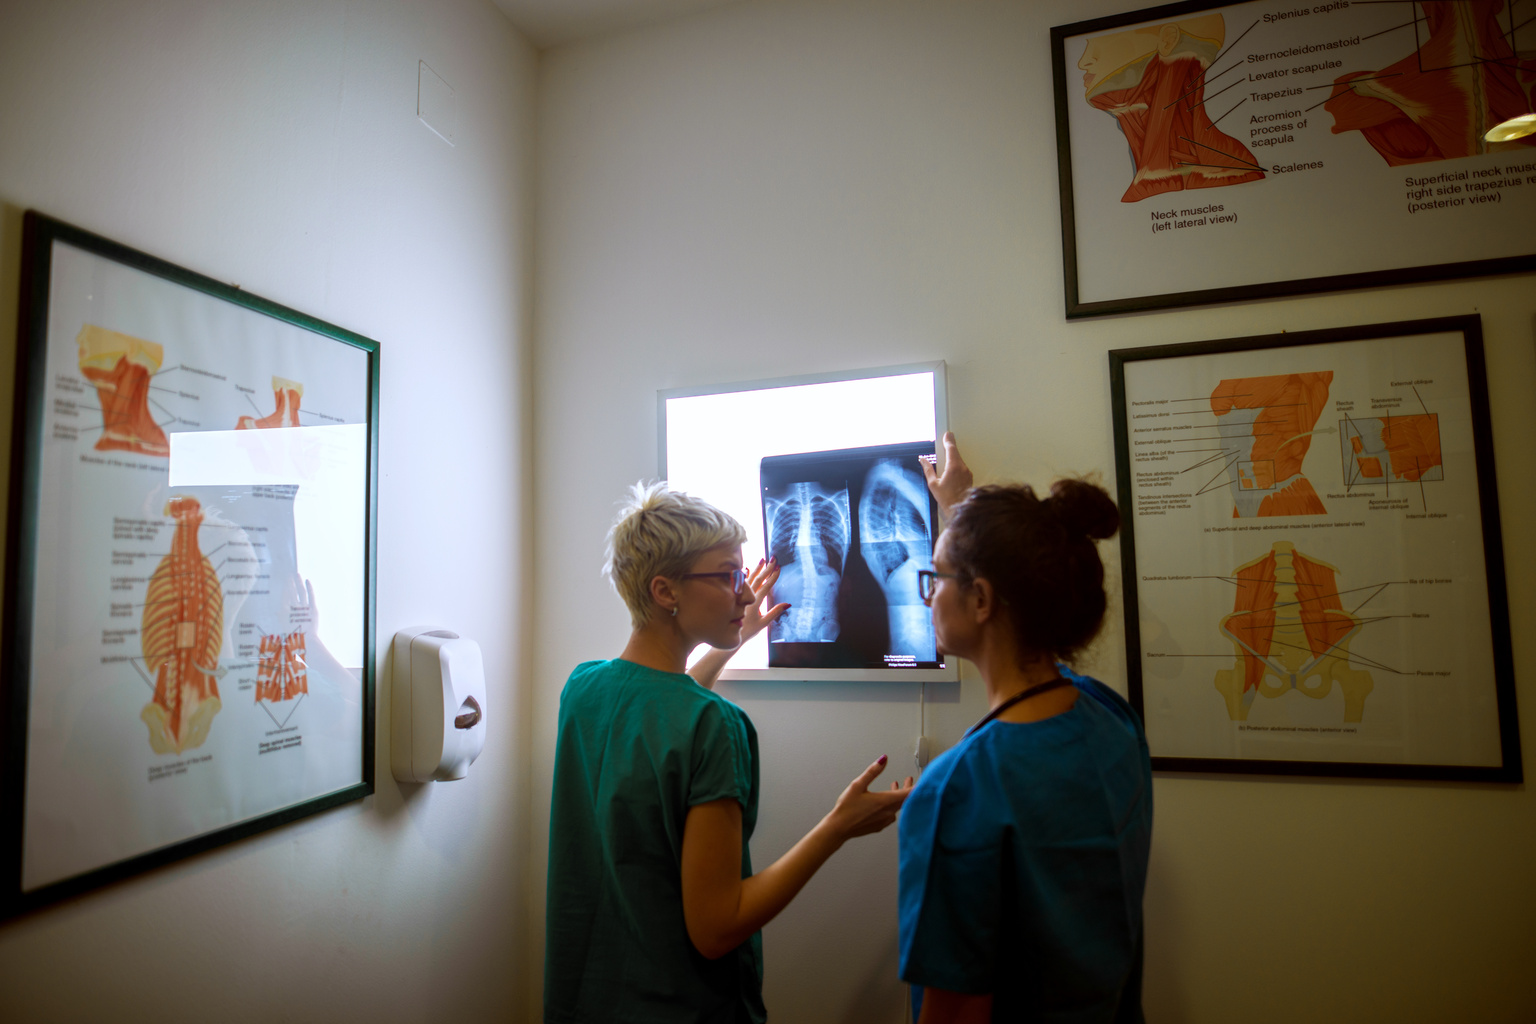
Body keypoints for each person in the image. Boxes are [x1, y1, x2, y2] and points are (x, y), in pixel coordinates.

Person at [545, 481, 914, 1023]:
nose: (746, 593)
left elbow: (658, 710)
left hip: (589, 1001)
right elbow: (717, 929)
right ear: (665, 591)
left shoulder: (583, 688)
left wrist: (732, 640)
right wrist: (838, 826)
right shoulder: (715, 726)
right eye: (727, 576)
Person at [898, 434, 1153, 1023]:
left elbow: (957, 1013)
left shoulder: (953, 792)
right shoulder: (1112, 719)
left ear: (982, 598)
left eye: (935, 578)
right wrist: (962, 515)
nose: (930, 595)